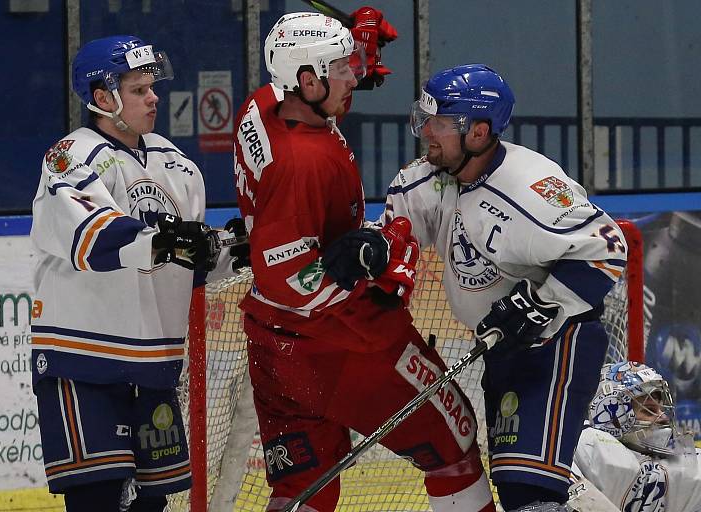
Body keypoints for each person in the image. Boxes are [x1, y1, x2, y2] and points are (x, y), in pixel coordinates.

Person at [232, 11, 495, 512]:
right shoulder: (303, 164)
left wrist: (358, 49)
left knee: (301, 486)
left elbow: (314, 87)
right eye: (342, 69)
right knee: (453, 443)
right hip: (333, 343)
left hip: (271, 344)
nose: (354, 77)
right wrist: (374, 267)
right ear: (307, 80)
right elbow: (286, 275)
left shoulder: (263, 103)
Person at [381, 63, 628, 512]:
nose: (428, 133)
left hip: (558, 342)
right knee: (520, 490)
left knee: (530, 492)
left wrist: (538, 303)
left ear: (478, 132)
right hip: (501, 346)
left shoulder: (531, 185)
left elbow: (607, 249)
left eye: (441, 123)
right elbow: (393, 247)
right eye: (427, 119)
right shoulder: (424, 181)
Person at [30, 35, 248, 511]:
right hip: (82, 362)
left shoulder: (179, 165)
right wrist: (166, 239)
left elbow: (187, 264)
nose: (153, 97)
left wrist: (233, 252)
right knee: (98, 501)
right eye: (138, 89)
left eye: (152, 87)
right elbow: (94, 236)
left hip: (153, 367)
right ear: (102, 97)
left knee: (151, 504)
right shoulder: (70, 157)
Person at [574, 361, 701, 511]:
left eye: (661, 409)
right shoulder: (588, 447)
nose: (663, 417)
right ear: (612, 416)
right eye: (648, 410)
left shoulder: (699, 466)